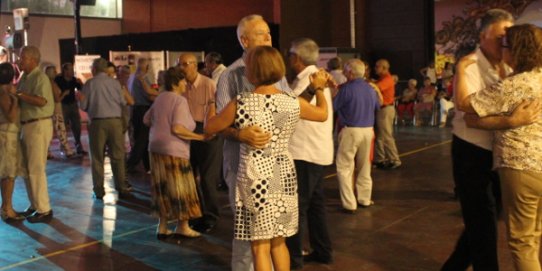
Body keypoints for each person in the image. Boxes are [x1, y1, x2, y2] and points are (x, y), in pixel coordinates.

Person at [206, 45, 328, 271]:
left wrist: (210, 104)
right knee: (279, 242)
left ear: (252, 72)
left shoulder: (242, 102)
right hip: (283, 174)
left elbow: (210, 127)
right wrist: (318, 88)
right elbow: (322, 114)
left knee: (259, 246)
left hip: (254, 176)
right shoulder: (291, 101)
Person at [441, 9, 538, 271]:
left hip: (500, 154)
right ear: (483, 36)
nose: (504, 42)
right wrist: (511, 121)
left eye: (508, 38)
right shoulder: (470, 64)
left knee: (485, 219)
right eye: (499, 37)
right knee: (482, 221)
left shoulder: (509, 66)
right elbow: (466, 109)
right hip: (472, 150)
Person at [285, 38, 334, 269]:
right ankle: (323, 250)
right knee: (315, 205)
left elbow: (291, 111)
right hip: (316, 150)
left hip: (304, 152)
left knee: (298, 207)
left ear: (297, 58)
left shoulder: (309, 81)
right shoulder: (318, 77)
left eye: (290, 55)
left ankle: (293, 260)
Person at [143, 67, 203, 240]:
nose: (186, 84)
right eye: (183, 80)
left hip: (155, 148)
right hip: (174, 150)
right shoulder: (179, 101)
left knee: (162, 187)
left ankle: (162, 227)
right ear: (176, 82)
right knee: (180, 188)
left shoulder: (160, 98)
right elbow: (178, 128)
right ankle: (182, 226)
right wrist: (200, 137)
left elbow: (146, 119)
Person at [177, 52, 222, 233]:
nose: (181, 68)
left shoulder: (208, 84)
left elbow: (218, 108)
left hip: (207, 131)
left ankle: (211, 216)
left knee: (207, 179)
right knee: (189, 178)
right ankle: (197, 213)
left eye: (184, 64)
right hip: (187, 132)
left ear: (195, 65)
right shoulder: (180, 86)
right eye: (179, 64)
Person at [80, 58, 131, 200]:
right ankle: (121, 187)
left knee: (97, 157)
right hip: (115, 122)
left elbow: (83, 106)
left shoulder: (90, 84)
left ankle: (99, 190)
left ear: (94, 69)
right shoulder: (114, 83)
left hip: (97, 123)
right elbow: (122, 102)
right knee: (118, 156)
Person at [335, 58, 380, 213]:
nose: (343, 72)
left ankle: (349, 203)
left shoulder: (346, 89)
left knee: (345, 167)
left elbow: (334, 106)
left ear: (351, 73)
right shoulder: (370, 89)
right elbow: (377, 107)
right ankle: (364, 199)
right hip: (368, 130)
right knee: (364, 167)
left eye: (345, 69)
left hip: (351, 130)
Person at [17, 45, 55, 223]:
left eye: (22, 58)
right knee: (27, 168)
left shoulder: (40, 78)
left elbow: (41, 101)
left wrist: (19, 95)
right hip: (27, 125)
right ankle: (34, 204)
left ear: (33, 60)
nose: (19, 61)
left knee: (36, 168)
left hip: (38, 125)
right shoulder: (24, 77)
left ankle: (44, 208)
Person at [0, 62, 24, 222]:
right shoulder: (3, 93)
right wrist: (15, 98)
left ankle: (6, 207)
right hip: (6, 136)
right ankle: (7, 208)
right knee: (9, 174)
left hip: (5, 135)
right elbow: (12, 116)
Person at [126, 58, 159, 173]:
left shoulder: (132, 77)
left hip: (135, 110)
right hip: (144, 109)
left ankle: (147, 166)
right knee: (142, 139)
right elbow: (150, 94)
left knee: (140, 139)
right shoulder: (144, 78)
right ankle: (129, 164)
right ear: (147, 67)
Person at [373, 59, 401, 169]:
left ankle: (395, 159)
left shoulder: (387, 79)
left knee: (386, 135)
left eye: (377, 66)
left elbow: (377, 87)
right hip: (381, 109)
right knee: (379, 136)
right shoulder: (383, 79)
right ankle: (380, 159)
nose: (375, 68)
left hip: (385, 109)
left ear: (384, 68)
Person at [55, 63, 86, 155]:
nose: (72, 72)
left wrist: (81, 83)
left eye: (73, 70)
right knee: (63, 125)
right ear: (65, 71)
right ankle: (63, 146)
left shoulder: (73, 80)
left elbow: (82, 89)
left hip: (72, 104)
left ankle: (78, 144)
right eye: (70, 70)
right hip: (62, 104)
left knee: (76, 124)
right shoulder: (58, 80)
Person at [45, 65, 75, 159]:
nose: (56, 72)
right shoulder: (52, 84)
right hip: (56, 110)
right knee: (61, 130)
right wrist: (64, 94)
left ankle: (48, 152)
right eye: (54, 71)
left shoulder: (46, 83)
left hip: (50, 110)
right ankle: (67, 150)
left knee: (50, 133)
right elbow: (57, 99)